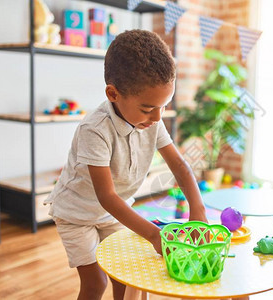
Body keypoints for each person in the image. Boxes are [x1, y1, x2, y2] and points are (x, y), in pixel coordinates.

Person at [45, 29, 208, 300]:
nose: (157, 116)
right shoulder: (94, 129)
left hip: (112, 213)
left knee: (126, 277)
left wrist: (198, 210)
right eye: (148, 108)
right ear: (113, 94)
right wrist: (155, 236)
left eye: (164, 106)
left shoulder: (152, 122)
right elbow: (106, 196)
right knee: (96, 282)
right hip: (77, 215)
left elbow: (180, 166)